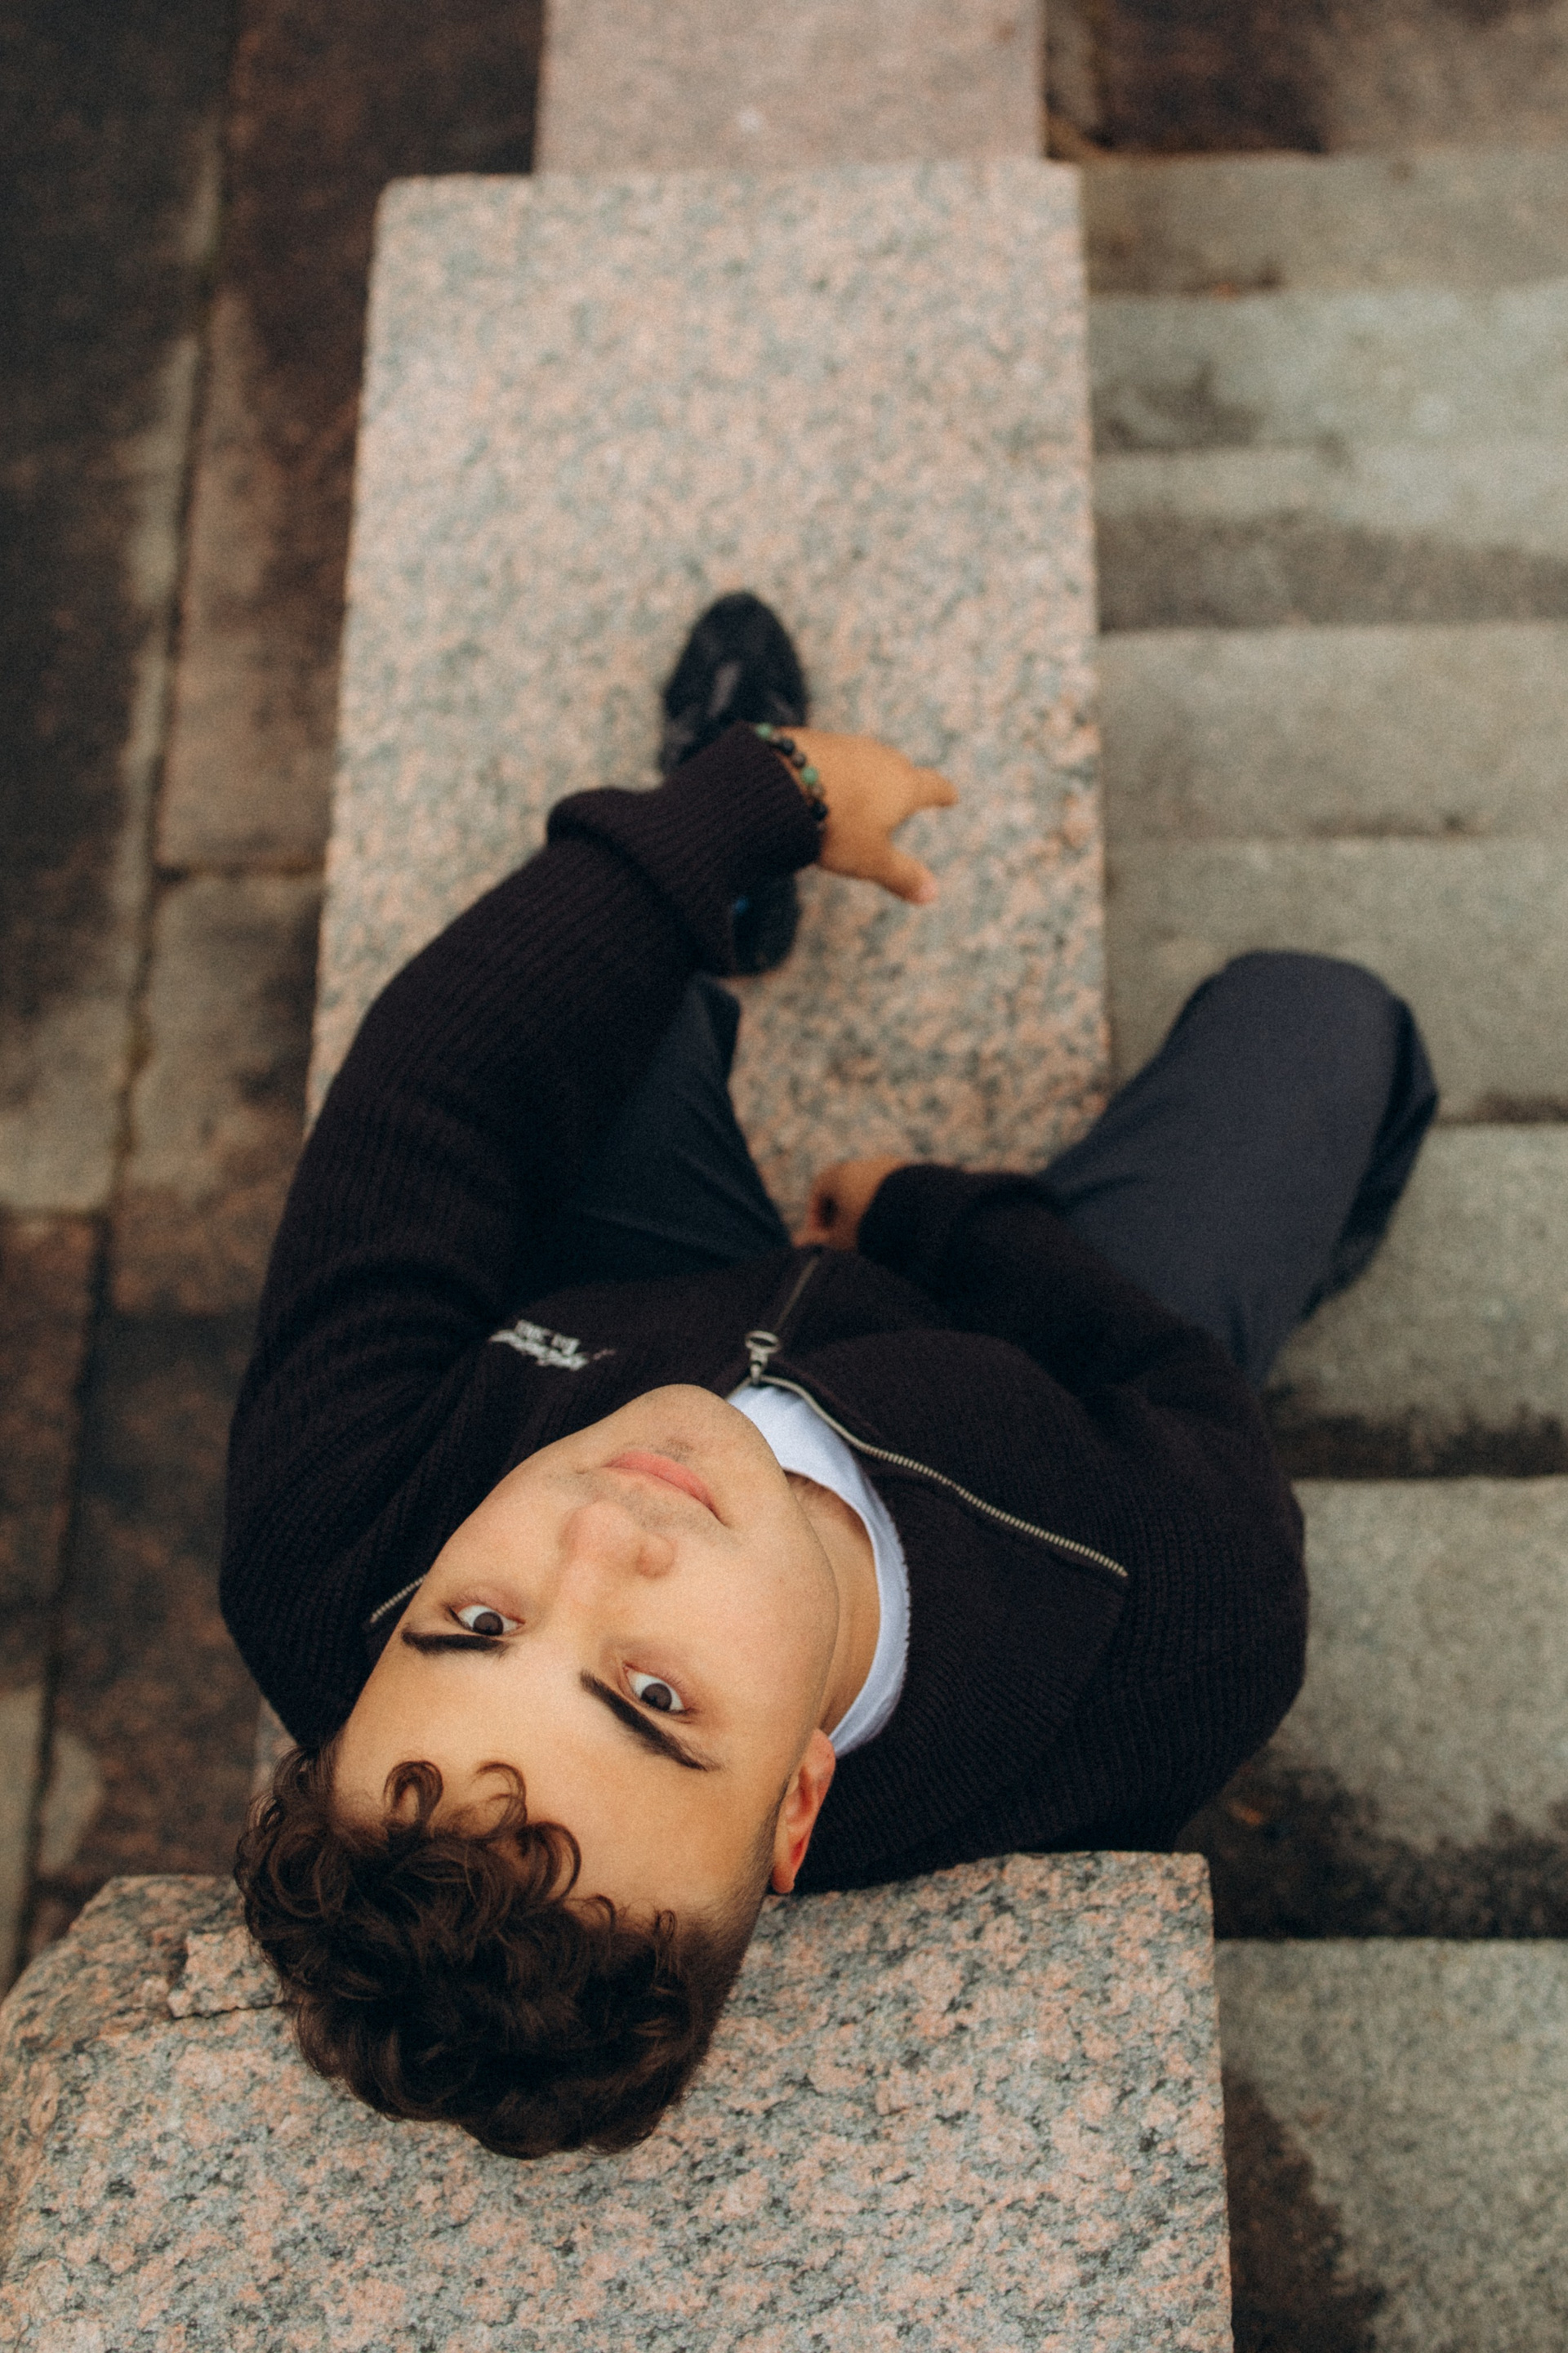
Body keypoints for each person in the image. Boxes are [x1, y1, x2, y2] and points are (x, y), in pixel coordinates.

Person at [225, 594, 1437, 2163]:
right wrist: (947, 1216)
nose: (598, 1537)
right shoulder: (1184, 1625)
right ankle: (1308, 1246)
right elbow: (1168, 1379)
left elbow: (430, 1093)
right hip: (1032, 1353)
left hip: (649, 1289)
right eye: (655, 1695)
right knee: (1322, 1020)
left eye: (474, 1623)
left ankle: (730, 910)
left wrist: (762, 796)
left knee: (580, 983)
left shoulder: (321, 1552)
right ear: (796, 1803)